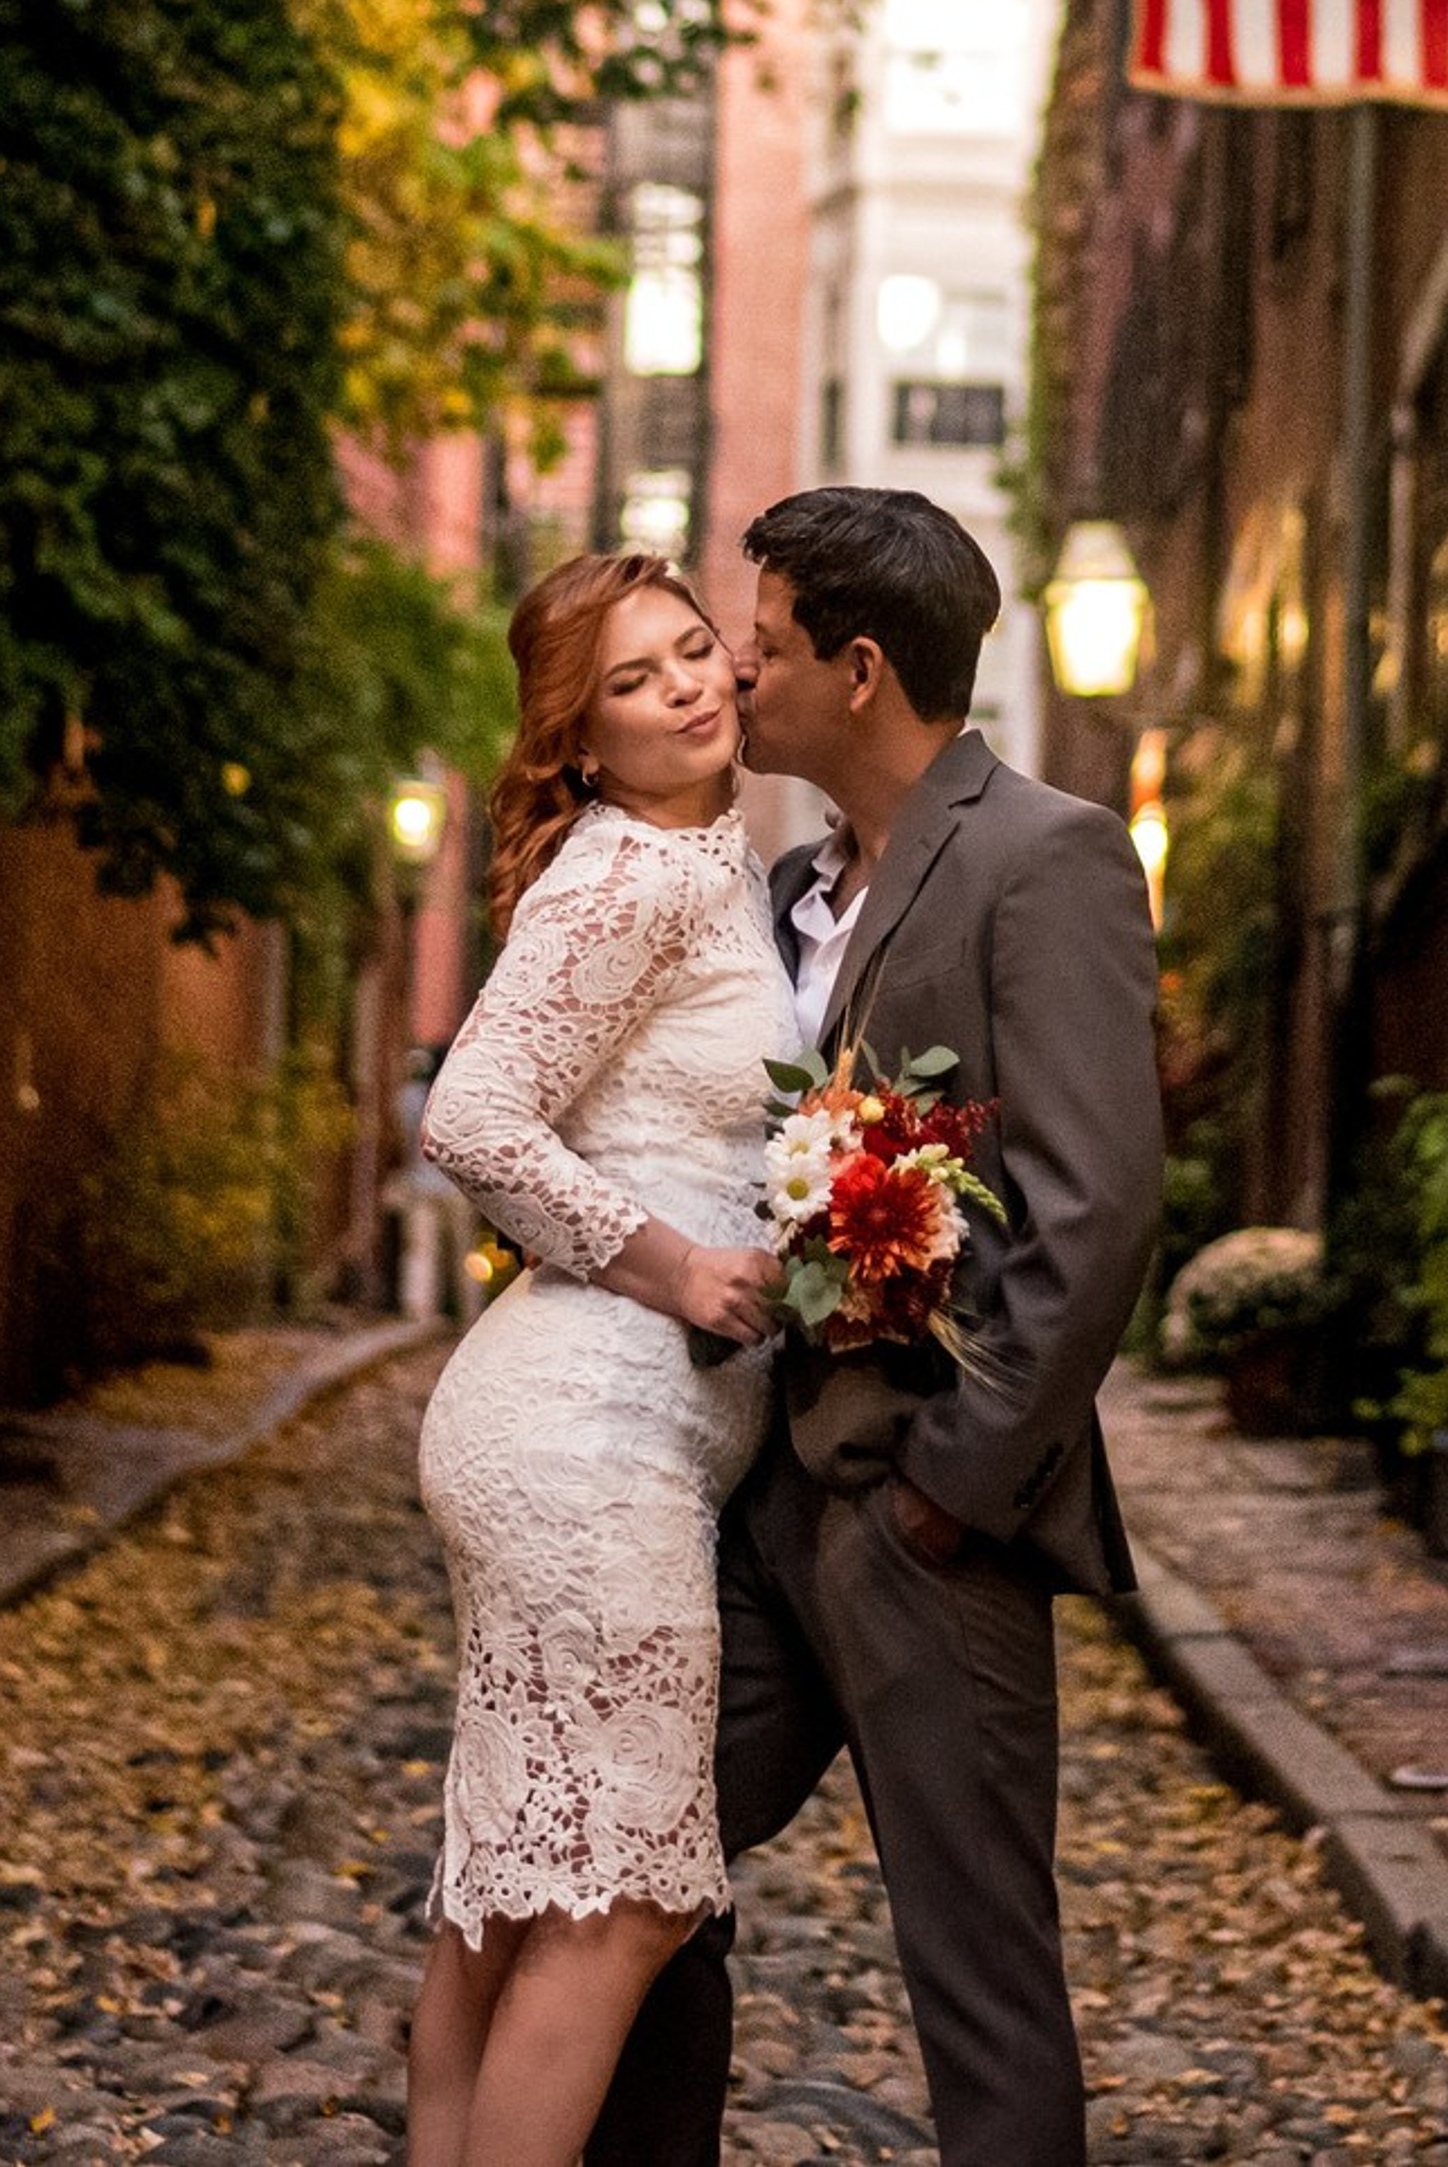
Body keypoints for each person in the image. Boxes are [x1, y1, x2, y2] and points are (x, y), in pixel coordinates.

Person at [588, 484, 1166, 2167]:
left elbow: (1095, 1209)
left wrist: (951, 1492)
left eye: (757, 650)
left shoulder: (1046, 858)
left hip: (934, 1527)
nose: (732, 682)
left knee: (980, 1978)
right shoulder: (782, 889)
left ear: (858, 668)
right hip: (769, 1518)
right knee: (638, 1863)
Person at [407, 552, 798, 2167]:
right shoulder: (631, 873)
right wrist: (678, 1265)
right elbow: (472, 1117)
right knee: (620, 1896)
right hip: (588, 1438)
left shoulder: (706, 862)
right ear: (581, 741)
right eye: (632, 683)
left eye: (695, 651)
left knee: (510, 1893)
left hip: (576, 1429)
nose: (688, 688)